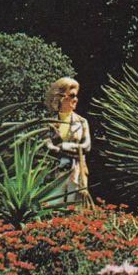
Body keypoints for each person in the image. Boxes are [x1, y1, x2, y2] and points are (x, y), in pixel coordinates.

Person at [44, 77, 92, 205]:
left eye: (76, 96)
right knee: (53, 207)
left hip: (76, 173)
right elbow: (46, 145)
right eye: (72, 96)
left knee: (74, 209)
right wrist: (64, 149)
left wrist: (63, 146)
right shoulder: (49, 123)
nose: (75, 99)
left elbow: (86, 147)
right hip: (54, 172)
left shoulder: (82, 122)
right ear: (60, 97)